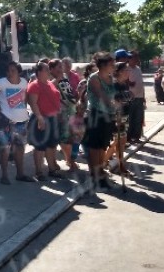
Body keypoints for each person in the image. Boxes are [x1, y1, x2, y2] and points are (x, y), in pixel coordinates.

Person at [0, 61, 31, 184]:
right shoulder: (1, 82)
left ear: (18, 72)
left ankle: (20, 174)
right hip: (5, 121)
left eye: (13, 70)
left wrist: (24, 111)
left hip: (21, 121)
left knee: (20, 148)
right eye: (8, 70)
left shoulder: (24, 83)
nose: (10, 73)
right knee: (5, 149)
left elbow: (25, 98)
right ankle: (4, 175)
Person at [82, 52, 116, 191]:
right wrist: (116, 104)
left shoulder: (110, 78)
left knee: (102, 146)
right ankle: (95, 175)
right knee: (94, 147)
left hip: (108, 115)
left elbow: (114, 96)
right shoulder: (94, 78)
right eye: (111, 64)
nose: (113, 66)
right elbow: (102, 97)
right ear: (103, 65)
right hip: (96, 115)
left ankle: (101, 172)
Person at [26, 61, 62, 181]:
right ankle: (39, 172)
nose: (49, 71)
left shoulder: (49, 84)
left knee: (51, 145)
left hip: (52, 119)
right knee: (40, 146)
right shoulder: (34, 85)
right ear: (39, 72)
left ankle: (52, 170)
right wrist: (40, 118)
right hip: (40, 119)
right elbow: (33, 103)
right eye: (46, 69)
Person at [49, 58, 76, 169]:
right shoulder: (49, 78)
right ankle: (68, 161)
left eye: (62, 66)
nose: (61, 69)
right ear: (51, 69)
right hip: (59, 113)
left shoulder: (64, 77)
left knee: (69, 138)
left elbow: (69, 93)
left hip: (70, 112)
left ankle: (68, 160)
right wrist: (57, 79)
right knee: (62, 138)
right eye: (59, 67)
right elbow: (49, 90)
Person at [106, 62, 132, 169]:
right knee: (119, 142)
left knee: (121, 141)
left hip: (125, 115)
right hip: (117, 116)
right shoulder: (114, 85)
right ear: (119, 72)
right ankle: (121, 166)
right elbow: (112, 101)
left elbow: (127, 98)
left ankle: (104, 160)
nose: (128, 72)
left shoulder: (124, 84)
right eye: (126, 70)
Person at [126, 51, 146, 143]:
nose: (136, 60)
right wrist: (128, 83)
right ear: (129, 58)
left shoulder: (138, 69)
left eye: (137, 58)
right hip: (130, 98)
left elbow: (141, 84)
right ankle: (128, 137)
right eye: (134, 58)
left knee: (139, 118)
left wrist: (144, 97)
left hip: (140, 96)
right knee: (130, 118)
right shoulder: (126, 69)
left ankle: (136, 137)